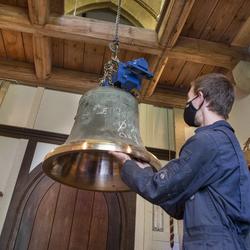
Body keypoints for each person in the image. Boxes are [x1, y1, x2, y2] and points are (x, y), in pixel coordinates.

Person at [111, 73, 250, 250]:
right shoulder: (224, 142)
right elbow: (179, 207)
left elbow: (158, 188)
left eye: (189, 99)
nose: (187, 106)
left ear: (200, 98)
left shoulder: (208, 142)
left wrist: (127, 164)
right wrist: (147, 172)